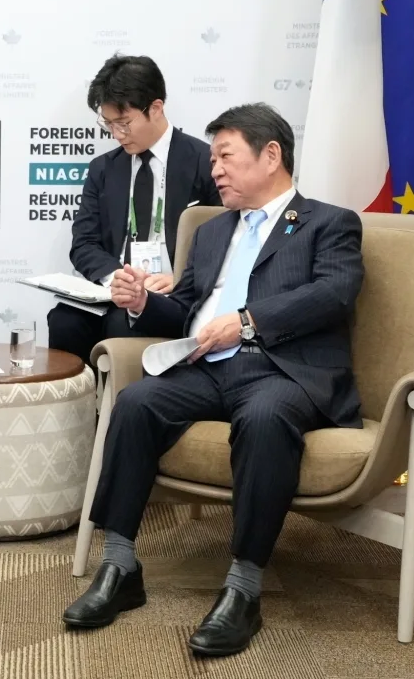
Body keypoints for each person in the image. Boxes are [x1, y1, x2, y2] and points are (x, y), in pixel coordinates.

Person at [61, 103, 364, 657]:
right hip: (205, 367)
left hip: (281, 370)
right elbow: (183, 312)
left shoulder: (329, 222)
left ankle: (243, 589)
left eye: (225, 156)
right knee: (135, 403)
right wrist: (142, 302)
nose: (215, 169)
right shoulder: (210, 230)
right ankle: (119, 566)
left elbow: (333, 292)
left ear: (271, 155)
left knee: (265, 417)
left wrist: (249, 321)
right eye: (214, 158)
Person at [48, 54, 222, 367]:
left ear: (155, 108)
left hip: (173, 293)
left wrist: (181, 277)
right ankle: (80, 413)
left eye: (124, 123)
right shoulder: (103, 169)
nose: (116, 134)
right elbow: (84, 244)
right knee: (64, 321)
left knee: (123, 323)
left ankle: (120, 411)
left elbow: (225, 241)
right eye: (109, 124)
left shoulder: (204, 162)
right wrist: (119, 278)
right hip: (114, 291)